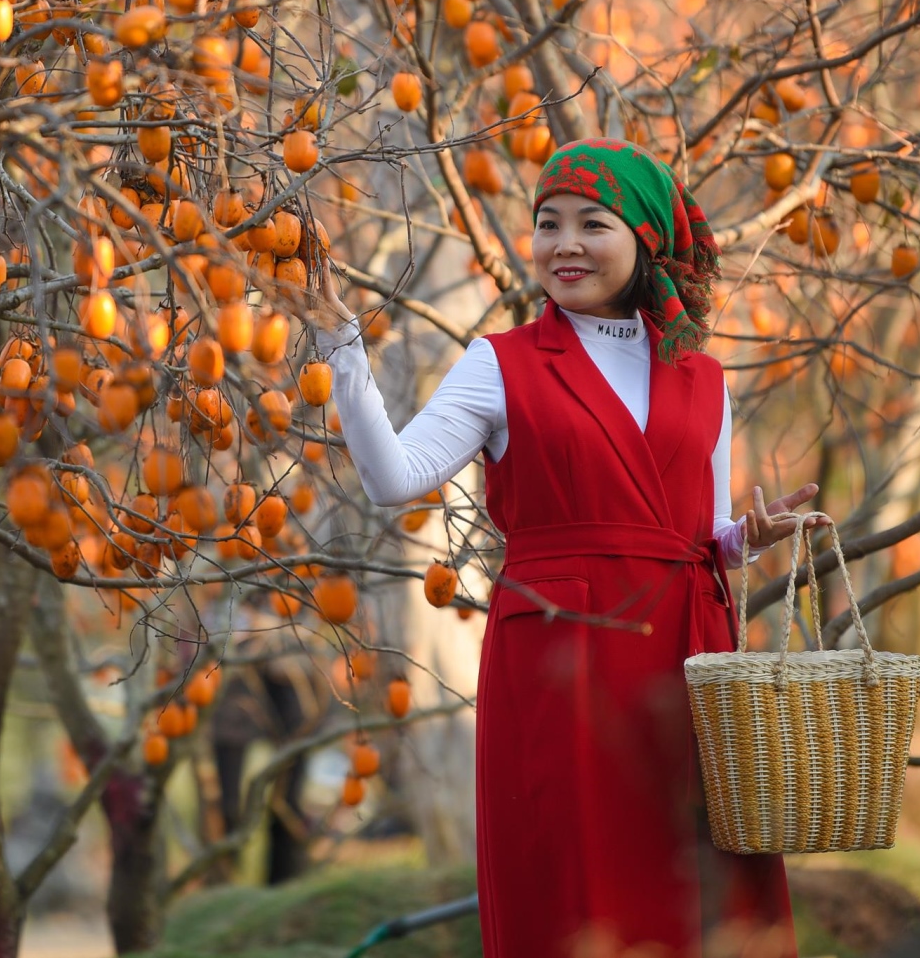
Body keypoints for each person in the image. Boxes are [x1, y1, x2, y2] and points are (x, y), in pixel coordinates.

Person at [311, 138, 822, 958]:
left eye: (593, 222)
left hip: (688, 665)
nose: (565, 242)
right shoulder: (500, 362)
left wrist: (747, 537)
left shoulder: (704, 376)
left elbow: (704, 532)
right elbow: (392, 477)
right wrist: (342, 346)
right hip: (560, 661)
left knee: (700, 888)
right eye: (548, 223)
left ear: (646, 239)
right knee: (574, 881)